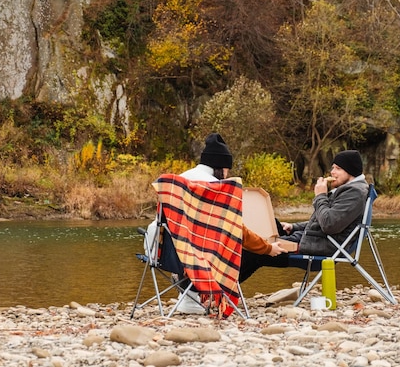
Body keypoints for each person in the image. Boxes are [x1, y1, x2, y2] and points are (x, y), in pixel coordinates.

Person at [146, 133, 286, 314]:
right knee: (243, 251)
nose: (227, 175)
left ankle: (188, 294)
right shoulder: (216, 189)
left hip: (164, 255)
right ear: (221, 167)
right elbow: (237, 231)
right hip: (200, 260)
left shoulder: (177, 182)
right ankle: (207, 295)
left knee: (192, 242)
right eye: (227, 170)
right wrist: (267, 248)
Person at [239, 149, 369, 283]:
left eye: (338, 168)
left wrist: (321, 196)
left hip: (317, 248)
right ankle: (223, 291)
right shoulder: (350, 190)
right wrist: (294, 227)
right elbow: (323, 221)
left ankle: (223, 292)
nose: (332, 172)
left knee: (254, 251)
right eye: (333, 167)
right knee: (270, 224)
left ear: (351, 172)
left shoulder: (354, 193)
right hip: (311, 240)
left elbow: (329, 224)